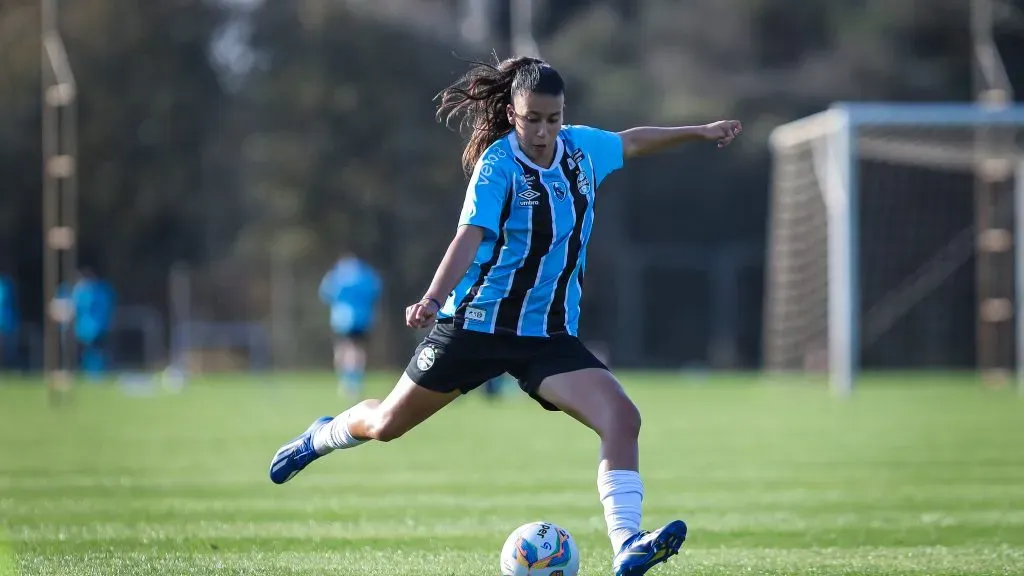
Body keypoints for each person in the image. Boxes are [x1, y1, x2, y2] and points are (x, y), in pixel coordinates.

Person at [269, 56, 742, 576]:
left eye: (553, 118)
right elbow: (468, 237)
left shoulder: (582, 150)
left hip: (546, 336)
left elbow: (631, 141)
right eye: (531, 119)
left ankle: (628, 543)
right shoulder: (499, 166)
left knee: (622, 417)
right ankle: (322, 434)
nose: (542, 131)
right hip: (475, 326)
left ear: (564, 115)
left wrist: (699, 131)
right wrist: (431, 298)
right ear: (513, 115)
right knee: (384, 425)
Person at [318, 253, 382, 399]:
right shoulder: (366, 274)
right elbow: (376, 291)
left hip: (341, 319)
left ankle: (347, 381)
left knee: (343, 349)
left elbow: (325, 293)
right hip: (363, 318)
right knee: (357, 350)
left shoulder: (337, 275)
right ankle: (355, 380)